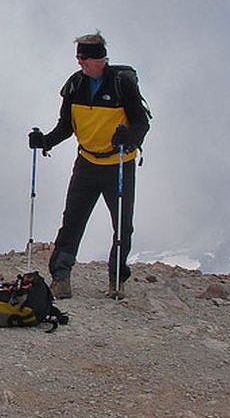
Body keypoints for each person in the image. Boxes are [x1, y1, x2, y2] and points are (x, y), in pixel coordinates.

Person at [29, 32, 150, 300]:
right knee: (72, 220)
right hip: (87, 162)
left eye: (83, 57)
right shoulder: (75, 85)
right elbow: (66, 126)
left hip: (119, 163)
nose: (79, 62)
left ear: (99, 59)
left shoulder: (122, 85)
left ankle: (116, 280)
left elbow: (141, 123)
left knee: (122, 225)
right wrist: (45, 141)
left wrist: (128, 140)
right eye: (78, 57)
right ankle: (60, 280)